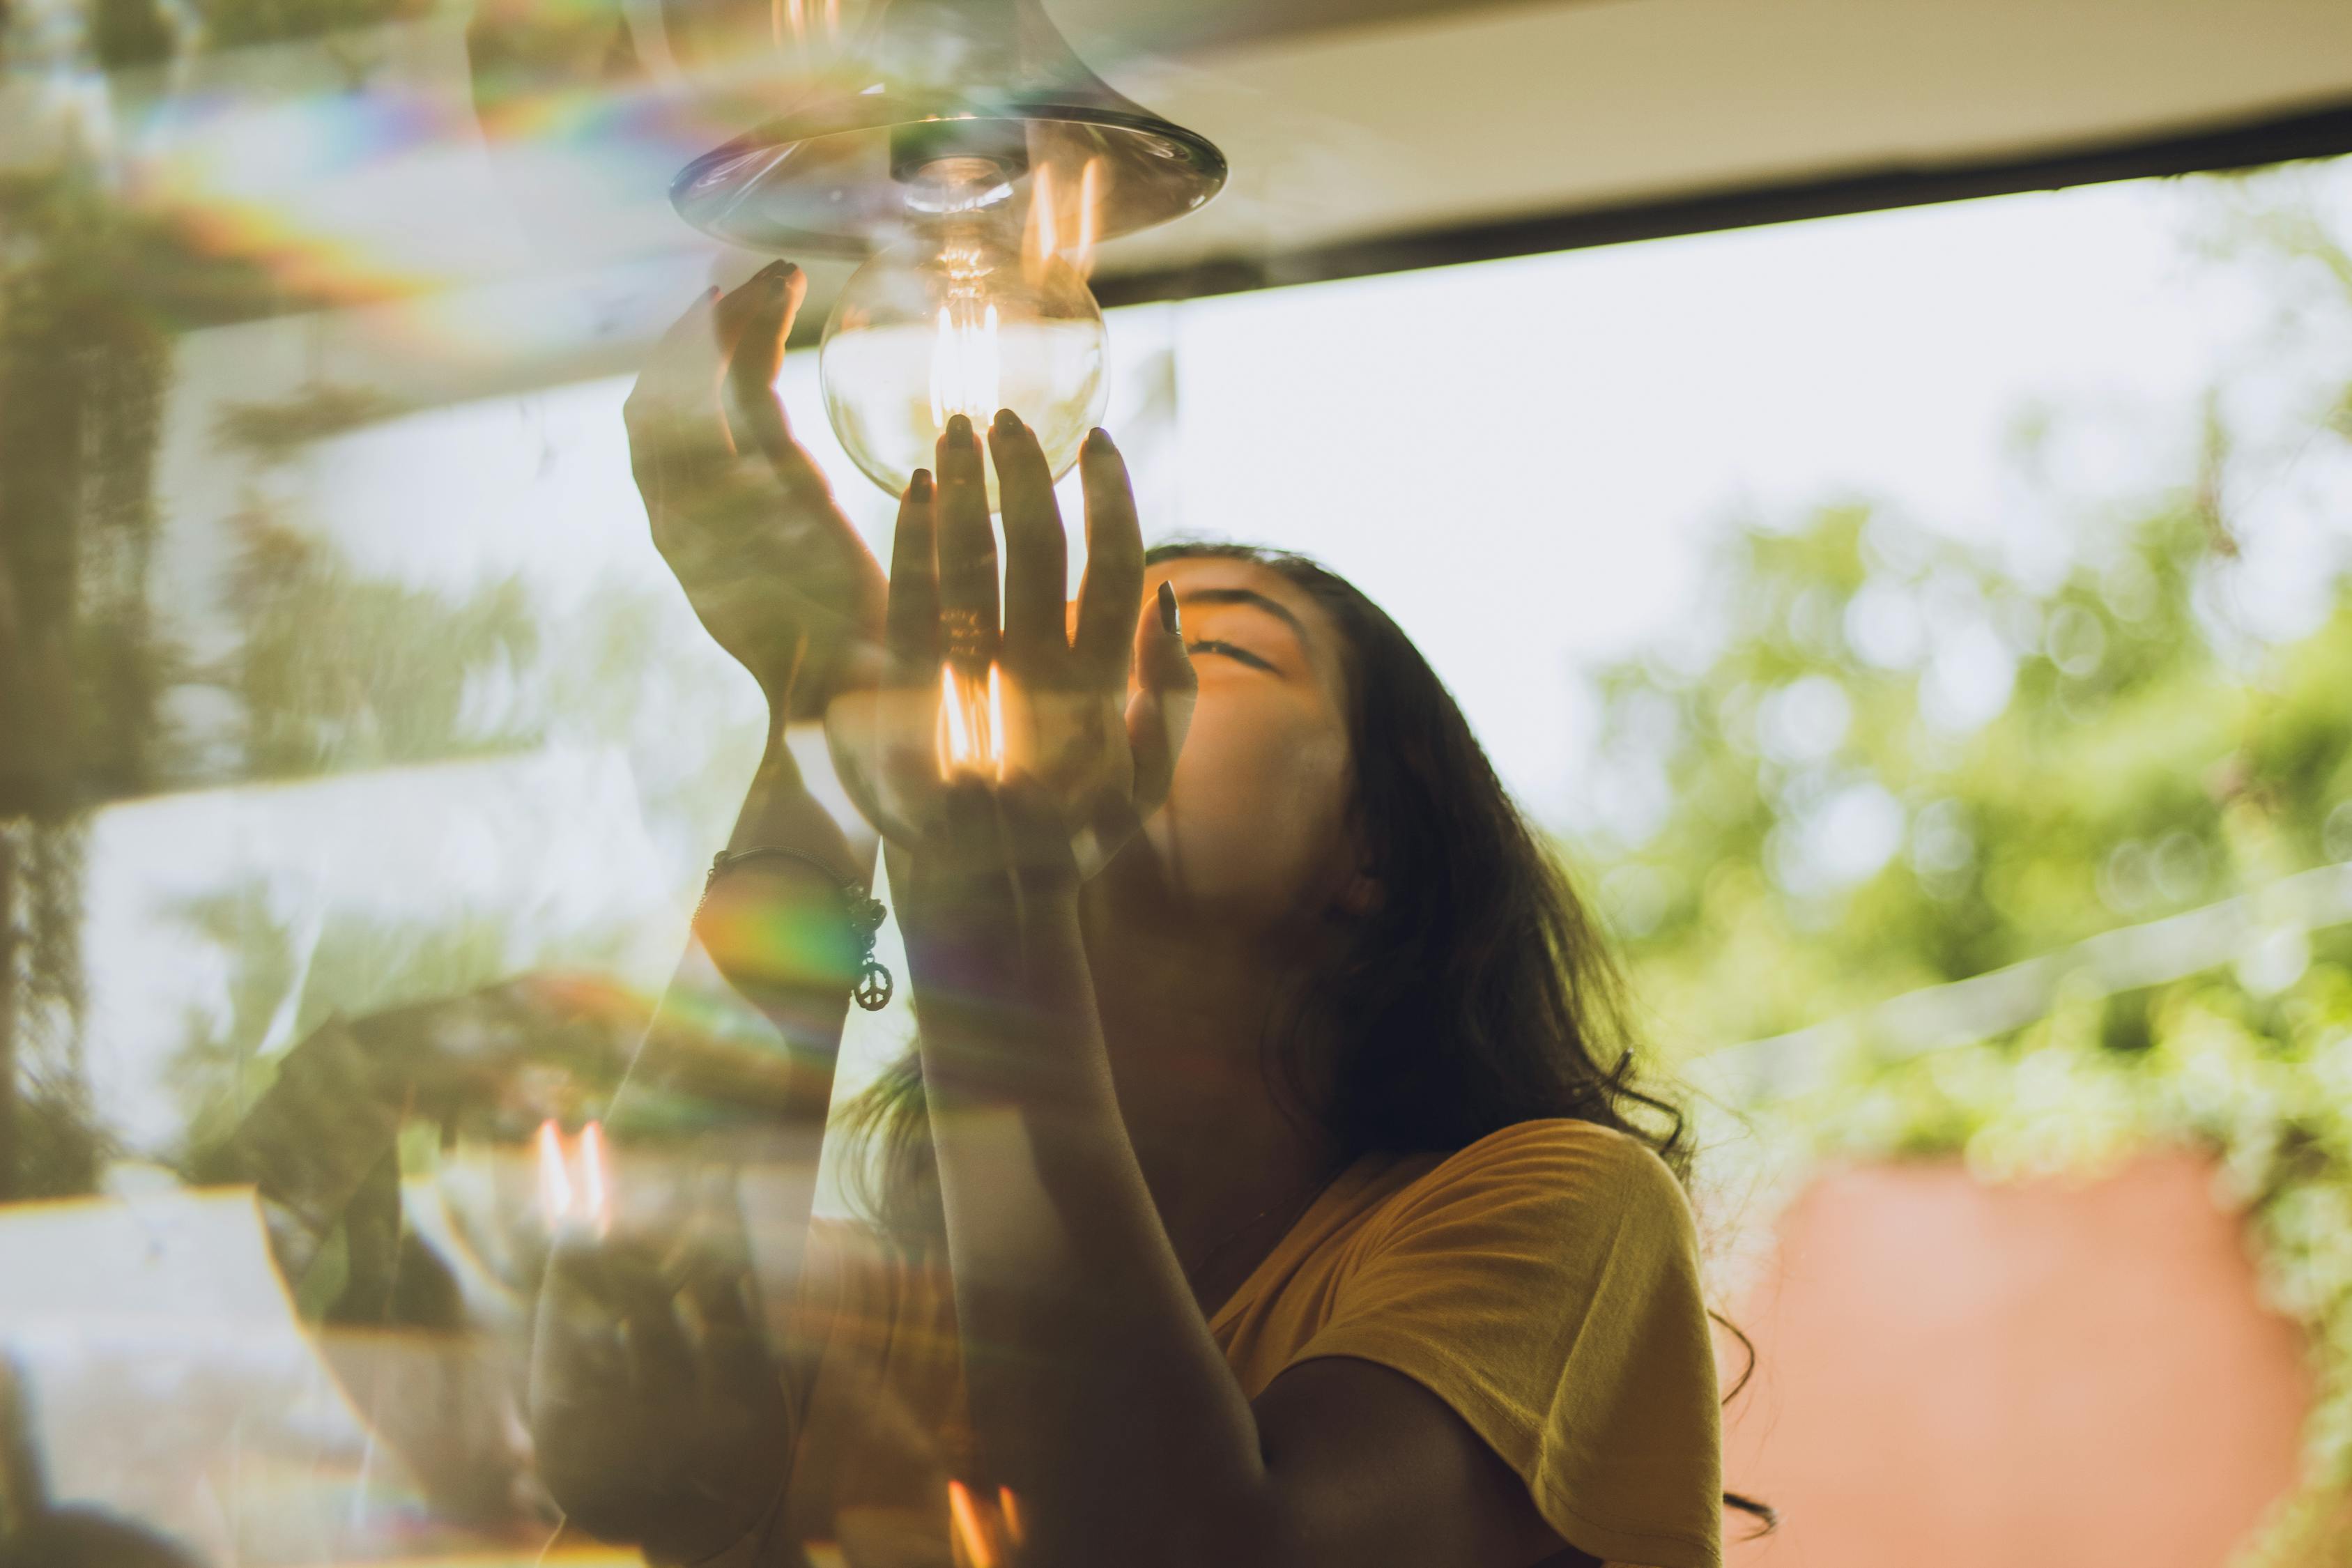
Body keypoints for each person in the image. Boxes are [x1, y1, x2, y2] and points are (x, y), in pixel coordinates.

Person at [530, 259, 1760, 1568]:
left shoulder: (1550, 1210)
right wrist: (819, 725)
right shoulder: (904, 1316)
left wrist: (982, 896)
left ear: (1376, 852)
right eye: (1061, 639)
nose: (1074, 685)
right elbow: (619, 1443)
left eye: (1206, 648)